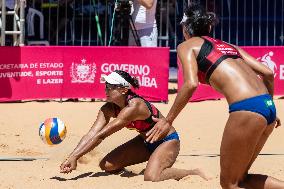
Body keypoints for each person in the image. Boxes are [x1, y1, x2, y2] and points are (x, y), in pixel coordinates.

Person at [146, 3, 283, 189]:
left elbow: (191, 83)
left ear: (186, 28)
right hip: (267, 107)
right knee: (241, 179)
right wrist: (268, 106)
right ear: (209, 27)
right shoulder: (229, 46)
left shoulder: (187, 46)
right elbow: (267, 73)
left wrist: (168, 120)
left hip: (248, 108)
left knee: (229, 184)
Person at [60, 70, 209, 182]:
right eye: (106, 85)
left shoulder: (134, 106)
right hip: (145, 142)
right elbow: (91, 134)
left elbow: (101, 136)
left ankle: (193, 172)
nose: (106, 89)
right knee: (107, 165)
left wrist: (76, 158)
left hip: (167, 142)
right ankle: (154, 162)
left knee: (151, 177)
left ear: (124, 89)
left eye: (110, 86)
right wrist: (72, 157)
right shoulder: (108, 108)